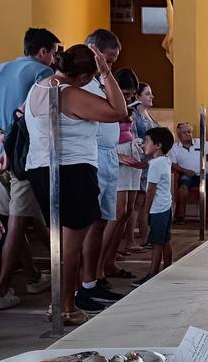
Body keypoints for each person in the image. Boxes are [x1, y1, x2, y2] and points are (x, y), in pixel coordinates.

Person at [18, 44, 128, 324]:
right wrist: (106, 74)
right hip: (72, 169)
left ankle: (61, 302)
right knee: (70, 246)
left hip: (41, 168)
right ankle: (66, 305)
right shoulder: (69, 93)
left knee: (60, 241)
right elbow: (118, 111)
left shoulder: (38, 88)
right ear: (83, 77)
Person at [0, 28, 60, 310]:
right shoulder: (42, 74)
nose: (55, 60)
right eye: (54, 53)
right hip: (24, 156)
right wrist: (10, 140)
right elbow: (26, 114)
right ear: (43, 52)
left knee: (19, 218)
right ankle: (0, 291)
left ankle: (35, 276)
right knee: (16, 221)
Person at [77, 30, 130, 303]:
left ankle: (93, 279)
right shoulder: (80, 83)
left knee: (101, 221)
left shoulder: (99, 81)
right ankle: (82, 284)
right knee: (86, 223)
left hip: (108, 155)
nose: (110, 66)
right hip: (91, 155)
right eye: (107, 60)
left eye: (113, 61)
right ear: (93, 52)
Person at [100, 68, 145, 291]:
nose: (128, 98)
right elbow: (98, 136)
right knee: (115, 213)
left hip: (129, 153)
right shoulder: (103, 100)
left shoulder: (126, 106)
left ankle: (110, 261)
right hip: (114, 155)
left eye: (130, 95)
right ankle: (98, 266)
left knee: (126, 211)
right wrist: (117, 155)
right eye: (125, 93)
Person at [133, 126, 176, 288]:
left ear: (157, 145)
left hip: (157, 209)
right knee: (165, 241)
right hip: (166, 207)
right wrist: (138, 165)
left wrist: (145, 212)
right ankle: (168, 269)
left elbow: (150, 190)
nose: (144, 145)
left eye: (147, 141)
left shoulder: (156, 165)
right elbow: (149, 164)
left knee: (157, 243)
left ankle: (152, 275)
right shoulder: (164, 160)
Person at [170, 122, 208, 223]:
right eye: (184, 132)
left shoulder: (200, 142)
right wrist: (185, 171)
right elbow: (172, 164)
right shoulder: (174, 148)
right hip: (187, 175)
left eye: (189, 131)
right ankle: (180, 216)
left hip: (204, 175)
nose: (188, 134)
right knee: (183, 185)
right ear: (179, 135)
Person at [129, 82, 162, 246]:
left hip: (152, 163)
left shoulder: (149, 115)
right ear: (138, 96)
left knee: (146, 203)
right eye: (148, 94)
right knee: (138, 203)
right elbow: (133, 137)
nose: (151, 96)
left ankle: (146, 237)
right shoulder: (134, 115)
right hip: (141, 161)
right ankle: (131, 240)